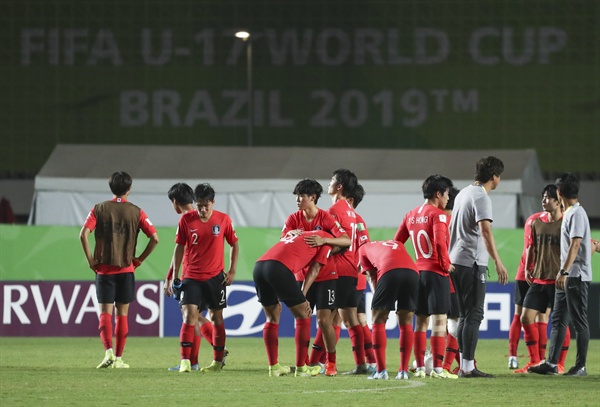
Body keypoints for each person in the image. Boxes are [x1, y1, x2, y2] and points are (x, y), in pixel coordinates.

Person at [79, 171, 159, 369]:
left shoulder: (99, 209)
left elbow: (83, 234)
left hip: (104, 271)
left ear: (111, 187)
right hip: (126, 270)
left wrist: (91, 260)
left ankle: (108, 353)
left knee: (104, 314)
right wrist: (139, 259)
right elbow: (155, 238)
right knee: (122, 315)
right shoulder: (137, 211)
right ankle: (120, 359)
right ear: (129, 189)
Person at [280, 178, 350, 376]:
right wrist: (288, 235)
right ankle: (303, 363)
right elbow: (282, 241)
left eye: (301, 196)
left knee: (323, 320)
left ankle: (331, 363)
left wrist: (324, 239)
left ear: (313, 198)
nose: (298, 199)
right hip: (301, 276)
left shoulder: (326, 218)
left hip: (326, 276)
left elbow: (346, 240)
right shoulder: (293, 219)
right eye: (296, 196)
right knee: (302, 318)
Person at [168, 183, 239, 373]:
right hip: (191, 277)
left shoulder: (223, 220)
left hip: (216, 278)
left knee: (217, 318)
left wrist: (232, 271)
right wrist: (175, 276)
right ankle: (186, 362)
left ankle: (217, 361)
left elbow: (234, 244)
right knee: (189, 316)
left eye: (206, 205)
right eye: (199, 205)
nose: (202, 209)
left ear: (213, 202)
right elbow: (179, 248)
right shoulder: (186, 220)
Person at [449, 156, 509, 378]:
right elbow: (485, 230)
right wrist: (498, 261)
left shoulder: (463, 193)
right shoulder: (481, 197)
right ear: (494, 177)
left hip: (457, 259)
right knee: (474, 314)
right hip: (472, 261)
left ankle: (465, 365)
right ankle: (467, 367)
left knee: (465, 315)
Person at [395, 174, 457, 379]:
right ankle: (438, 369)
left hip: (417, 273)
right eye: (447, 194)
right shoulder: (438, 215)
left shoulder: (410, 215)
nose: (448, 199)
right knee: (440, 321)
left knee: (420, 322)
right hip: (436, 273)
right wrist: (446, 264)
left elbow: (397, 243)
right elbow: (439, 243)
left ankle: (420, 367)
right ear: (438, 194)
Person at [530, 173, 592, 377]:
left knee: (579, 321)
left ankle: (580, 366)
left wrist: (564, 271)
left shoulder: (576, 214)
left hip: (575, 275)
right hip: (566, 275)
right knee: (557, 319)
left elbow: (575, 244)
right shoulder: (572, 213)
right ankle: (552, 363)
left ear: (559, 192)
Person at [305, 169, 367, 375]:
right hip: (352, 269)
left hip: (338, 270)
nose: (329, 183)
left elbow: (339, 243)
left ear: (339, 187)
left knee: (327, 319)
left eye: (332, 180)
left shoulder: (333, 211)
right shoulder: (351, 212)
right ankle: (361, 363)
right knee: (349, 318)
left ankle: (317, 362)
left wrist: (321, 242)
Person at [253, 230, 334, 377]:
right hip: (278, 268)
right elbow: (315, 269)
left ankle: (274, 367)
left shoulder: (300, 234)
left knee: (272, 315)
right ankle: (302, 368)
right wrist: (303, 295)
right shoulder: (325, 241)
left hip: (259, 266)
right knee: (303, 314)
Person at [515, 185, 568, 373]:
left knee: (560, 322)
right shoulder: (536, 222)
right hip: (538, 280)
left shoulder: (566, 223)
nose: (543, 200)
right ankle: (535, 361)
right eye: (543, 197)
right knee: (525, 317)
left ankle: (559, 363)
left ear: (558, 201)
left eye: (547, 197)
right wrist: (529, 269)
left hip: (558, 281)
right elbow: (531, 246)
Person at [358, 240, 420, 380]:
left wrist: (377, 301)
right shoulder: (396, 243)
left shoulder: (362, 250)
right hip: (413, 273)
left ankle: (381, 371)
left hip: (389, 271)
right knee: (406, 322)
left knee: (378, 319)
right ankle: (403, 371)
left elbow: (373, 276)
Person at [507, 209, 544, 370]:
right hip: (541, 274)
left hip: (524, 272)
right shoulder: (556, 221)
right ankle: (540, 359)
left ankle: (513, 356)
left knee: (519, 315)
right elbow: (532, 247)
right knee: (542, 318)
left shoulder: (531, 219)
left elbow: (529, 246)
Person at [441, 187, 461, 374]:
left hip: (447, 275)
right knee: (451, 322)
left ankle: (446, 366)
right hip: (455, 274)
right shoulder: (456, 222)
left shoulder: (444, 221)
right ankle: (464, 363)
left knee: (451, 322)